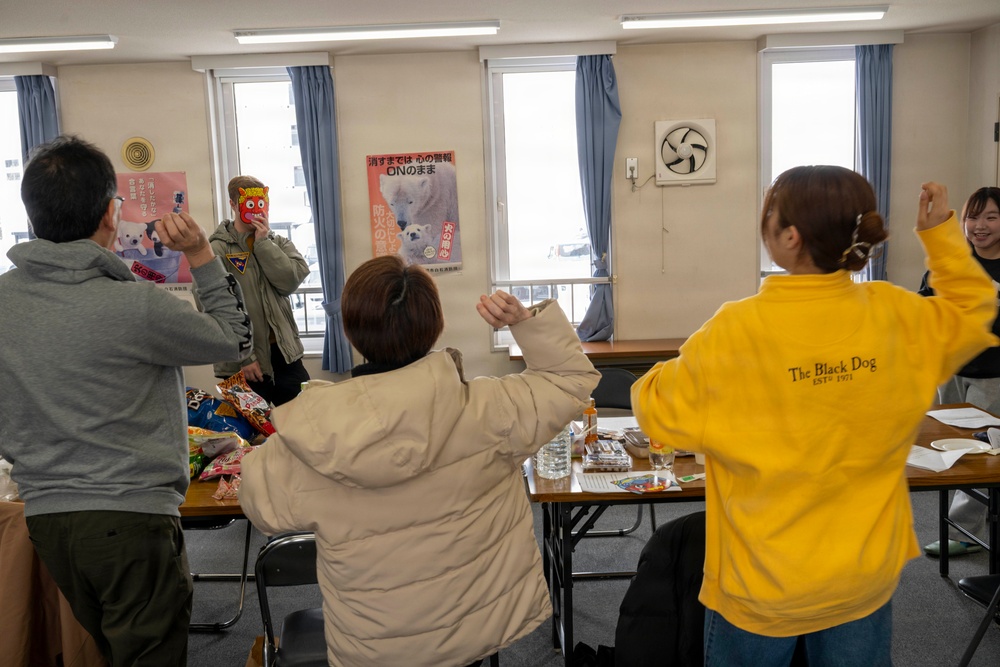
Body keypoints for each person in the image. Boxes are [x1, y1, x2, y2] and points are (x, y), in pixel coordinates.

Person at [632, 166, 997, 666]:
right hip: (862, 575)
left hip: (763, 582)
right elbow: (974, 308)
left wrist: (695, 363)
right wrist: (939, 236)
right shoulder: (896, 314)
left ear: (788, 236)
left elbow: (655, 411)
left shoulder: (735, 330)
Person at [238, 254, 600, 667]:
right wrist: (526, 322)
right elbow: (571, 380)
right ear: (436, 325)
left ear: (351, 331)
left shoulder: (307, 440)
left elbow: (258, 506)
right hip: (471, 630)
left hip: (372, 647)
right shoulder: (492, 410)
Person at [0, 135, 253, 666]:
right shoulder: (134, 305)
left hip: (45, 519)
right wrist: (201, 255)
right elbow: (234, 339)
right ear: (109, 214)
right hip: (130, 517)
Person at [918, 186, 1000, 557]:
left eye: (990, 217)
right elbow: (926, 303)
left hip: (994, 372)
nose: (979, 226)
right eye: (972, 217)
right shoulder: (954, 261)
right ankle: (963, 523)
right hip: (952, 369)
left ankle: (966, 530)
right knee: (950, 448)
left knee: (985, 452)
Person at [207, 175, 310, 406]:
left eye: (262, 203)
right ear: (234, 204)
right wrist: (245, 355)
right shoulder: (217, 249)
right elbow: (214, 307)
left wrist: (263, 243)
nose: (258, 211)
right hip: (242, 362)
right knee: (249, 436)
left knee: (305, 422)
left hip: (285, 353)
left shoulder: (278, 242)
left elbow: (289, 282)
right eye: (250, 205)